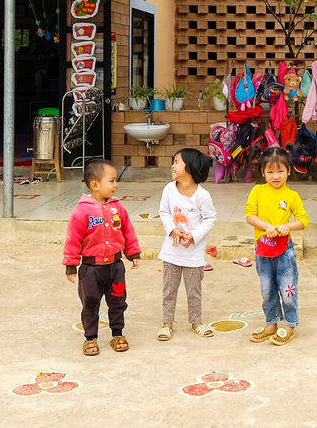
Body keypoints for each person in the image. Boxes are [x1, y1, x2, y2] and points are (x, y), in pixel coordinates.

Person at [64, 158, 141, 356]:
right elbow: (73, 239)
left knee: (118, 301)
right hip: (91, 269)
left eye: (116, 181)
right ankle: (91, 338)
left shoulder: (118, 208)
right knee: (90, 302)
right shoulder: (82, 211)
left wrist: (132, 253)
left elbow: (128, 231)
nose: (116, 185)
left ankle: (117, 334)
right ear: (95, 185)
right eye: (112, 181)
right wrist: (71, 264)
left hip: (115, 266)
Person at [243, 146, 308, 345]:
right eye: (270, 172)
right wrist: (267, 227)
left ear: (289, 170)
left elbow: (303, 220)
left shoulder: (292, 196)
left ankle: (289, 325)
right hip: (263, 249)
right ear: (263, 172)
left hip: (284, 251)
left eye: (280, 171)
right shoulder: (258, 190)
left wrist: (286, 227)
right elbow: (249, 214)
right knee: (267, 289)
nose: (276, 176)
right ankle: (271, 323)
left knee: (288, 288)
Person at [158, 147, 217, 341]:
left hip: (193, 254)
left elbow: (210, 219)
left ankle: (196, 322)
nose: (173, 165)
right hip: (171, 251)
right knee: (169, 289)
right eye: (173, 161)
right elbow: (165, 212)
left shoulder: (203, 196)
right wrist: (172, 229)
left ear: (190, 168)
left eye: (177, 162)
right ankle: (167, 324)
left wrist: (194, 235)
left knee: (194, 291)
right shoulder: (169, 189)